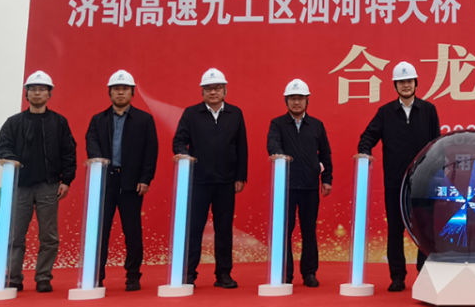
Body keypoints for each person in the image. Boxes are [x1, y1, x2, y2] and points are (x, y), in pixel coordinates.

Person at [357, 61, 440, 292]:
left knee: (425, 228)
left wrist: (437, 176)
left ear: (416, 84)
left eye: (409, 81)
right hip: (395, 182)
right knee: (395, 229)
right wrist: (364, 152)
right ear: (395, 86)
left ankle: (425, 272)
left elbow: (437, 144)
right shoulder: (385, 112)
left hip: (423, 181)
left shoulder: (429, 110)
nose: (406, 85)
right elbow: (367, 136)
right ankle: (397, 277)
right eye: (401, 82)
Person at [0, 70, 77, 293]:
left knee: (49, 236)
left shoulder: (59, 122)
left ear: (49, 94)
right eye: (32, 89)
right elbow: (1, 147)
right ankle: (13, 278)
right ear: (26, 94)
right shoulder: (13, 123)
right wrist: (11, 160)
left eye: (42, 89)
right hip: (20, 186)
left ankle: (43, 278)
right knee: (15, 235)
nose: (37, 93)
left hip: (49, 186)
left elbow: (69, 152)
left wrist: (66, 180)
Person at [173, 68, 248, 289]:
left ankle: (223, 273)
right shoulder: (191, 113)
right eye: (208, 88)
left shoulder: (235, 113)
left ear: (225, 90)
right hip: (198, 180)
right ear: (202, 91)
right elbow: (179, 140)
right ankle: (188, 273)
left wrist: (240, 176)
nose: (212, 92)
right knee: (194, 228)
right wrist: (183, 154)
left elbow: (241, 147)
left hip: (226, 181)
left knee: (224, 229)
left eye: (217, 88)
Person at [84, 70, 158, 291]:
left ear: (132, 93)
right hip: (105, 183)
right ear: (110, 93)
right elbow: (91, 143)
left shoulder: (144, 120)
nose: (120, 92)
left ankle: (133, 276)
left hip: (132, 182)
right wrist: (98, 164)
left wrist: (146, 178)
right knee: (100, 231)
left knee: (132, 231)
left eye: (125, 89)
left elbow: (151, 151)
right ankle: (96, 276)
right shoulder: (98, 120)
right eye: (116, 89)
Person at [266, 79, 332, 287]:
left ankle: (309, 273)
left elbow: (325, 154)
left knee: (309, 230)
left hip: (310, 186)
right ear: (286, 101)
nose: (296, 102)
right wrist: (278, 154)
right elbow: (272, 143)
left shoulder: (316, 125)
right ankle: (285, 274)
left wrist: (327, 179)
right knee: (284, 231)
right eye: (292, 98)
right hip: (285, 187)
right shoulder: (277, 124)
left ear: (307, 101)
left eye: (300, 98)